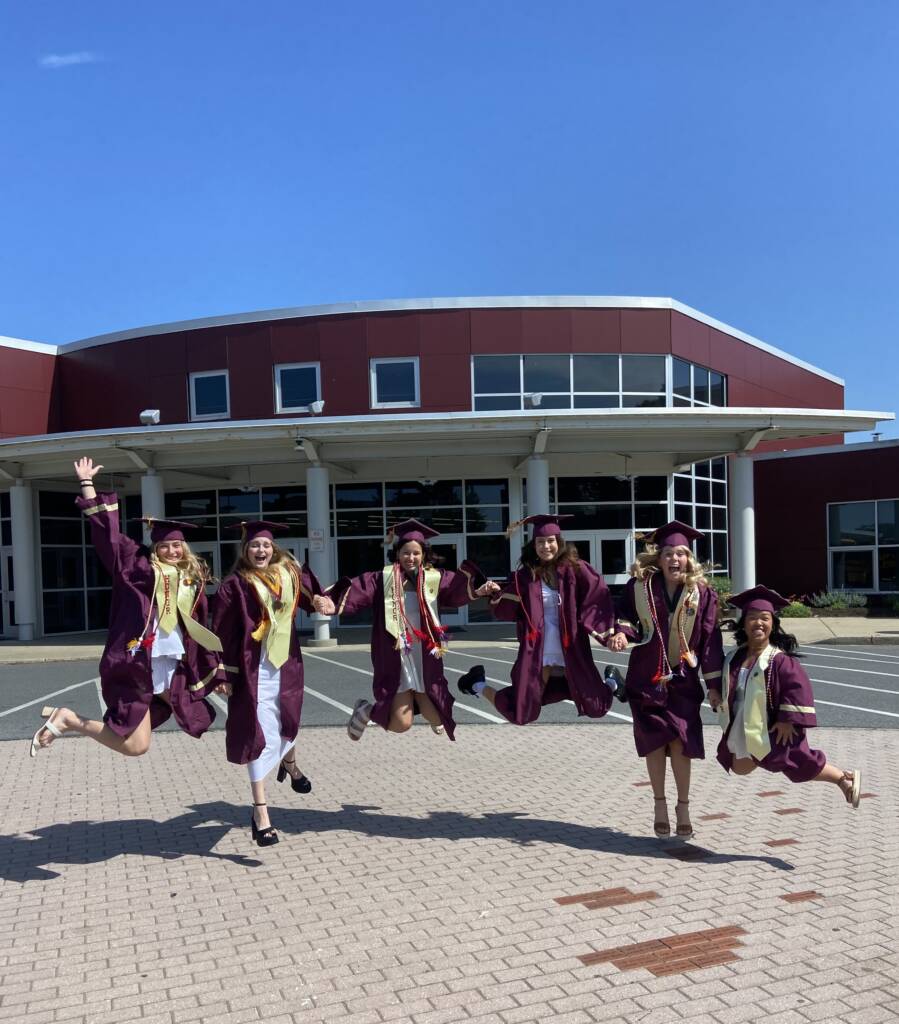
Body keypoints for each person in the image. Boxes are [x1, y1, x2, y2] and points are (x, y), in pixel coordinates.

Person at [30, 456, 225, 760]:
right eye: (164, 546)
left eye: (177, 546)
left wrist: (217, 666)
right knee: (151, 735)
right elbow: (107, 534)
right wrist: (87, 485)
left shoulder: (191, 579)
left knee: (142, 742)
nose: (172, 551)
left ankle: (68, 719)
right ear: (154, 547)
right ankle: (68, 719)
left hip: (172, 663)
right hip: (138, 663)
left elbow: (199, 625)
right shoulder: (136, 565)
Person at [314, 519, 498, 741]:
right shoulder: (383, 579)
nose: (411, 558)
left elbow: (456, 592)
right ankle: (366, 711)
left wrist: (479, 590)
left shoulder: (433, 578)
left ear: (423, 555)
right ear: (397, 553)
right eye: (406, 552)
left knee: (439, 718)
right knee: (402, 724)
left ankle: (418, 706)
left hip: (424, 656)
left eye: (416, 553)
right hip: (396, 655)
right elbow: (358, 591)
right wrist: (332, 604)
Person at [606, 521, 723, 839]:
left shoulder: (704, 595)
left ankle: (683, 806)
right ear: (658, 559)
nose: (675, 559)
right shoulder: (638, 589)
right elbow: (626, 618)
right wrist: (620, 633)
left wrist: (713, 686)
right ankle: (659, 804)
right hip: (646, 677)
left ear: (689, 559)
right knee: (654, 742)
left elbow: (710, 640)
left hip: (683, 678)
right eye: (669, 553)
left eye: (681, 553)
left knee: (681, 741)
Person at [212, 521, 323, 847]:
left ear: (273, 548)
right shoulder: (234, 585)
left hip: (287, 665)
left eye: (265, 545)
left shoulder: (287, 575)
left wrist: (320, 602)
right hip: (252, 670)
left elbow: (311, 597)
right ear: (245, 551)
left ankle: (289, 764)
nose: (260, 550)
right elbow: (219, 630)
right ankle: (261, 812)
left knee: (288, 721)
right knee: (256, 734)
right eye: (254, 545)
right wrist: (221, 673)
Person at [458, 514, 626, 723]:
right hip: (539, 651)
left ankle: (612, 683)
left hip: (572, 649)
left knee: (596, 707)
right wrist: (494, 593)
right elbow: (507, 608)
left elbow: (599, 599)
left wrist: (613, 631)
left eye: (550, 541)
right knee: (522, 712)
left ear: (559, 542)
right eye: (540, 542)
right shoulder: (526, 576)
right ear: (534, 545)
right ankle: (477, 684)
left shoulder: (577, 569)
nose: (545, 546)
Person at [711, 585, 861, 808]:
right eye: (752, 618)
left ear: (773, 624)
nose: (759, 623)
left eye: (765, 618)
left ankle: (843, 779)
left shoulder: (779, 660)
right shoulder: (734, 656)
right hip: (741, 723)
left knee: (798, 762)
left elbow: (796, 688)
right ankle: (771, 757)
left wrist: (786, 720)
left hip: (769, 725)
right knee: (738, 767)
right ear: (744, 623)